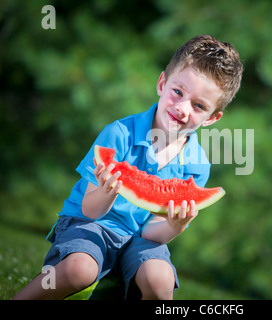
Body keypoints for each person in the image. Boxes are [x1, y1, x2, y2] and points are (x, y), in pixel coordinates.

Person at [13, 34, 243, 300]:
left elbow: (151, 232)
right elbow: (90, 209)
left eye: (198, 106)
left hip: (141, 240)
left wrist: (174, 226)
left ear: (212, 118)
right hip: (92, 222)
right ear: (162, 83)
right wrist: (107, 192)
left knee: (161, 282)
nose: (182, 108)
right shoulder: (119, 134)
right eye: (178, 92)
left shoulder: (197, 164)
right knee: (80, 270)